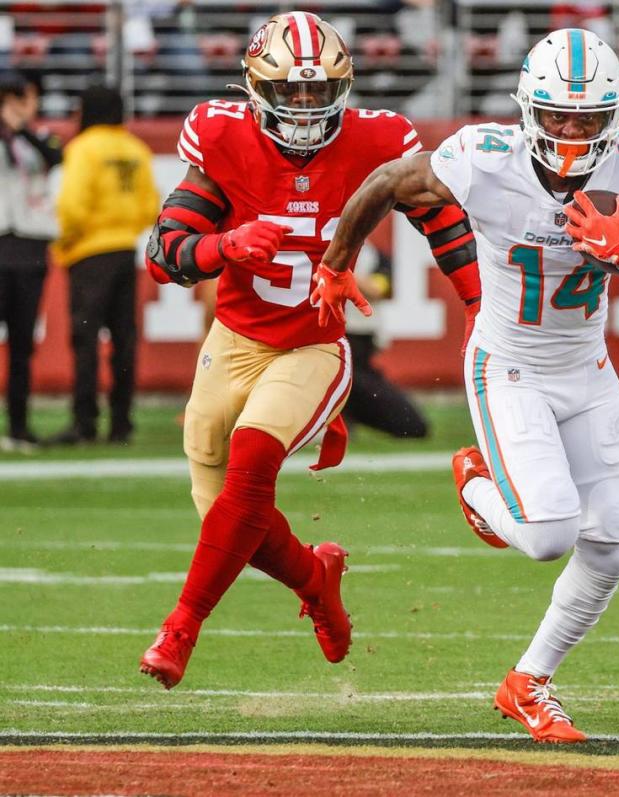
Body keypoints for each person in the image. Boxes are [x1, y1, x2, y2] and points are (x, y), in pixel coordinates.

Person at [320, 28, 619, 741]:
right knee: (550, 533)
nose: (572, 130)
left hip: (587, 367)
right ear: (530, 110)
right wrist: (338, 261)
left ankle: (529, 681)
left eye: (587, 117)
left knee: (612, 540)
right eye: (557, 115)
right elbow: (385, 183)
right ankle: (476, 484)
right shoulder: (484, 160)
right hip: (510, 364)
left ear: (615, 116)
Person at [139, 11, 481, 690]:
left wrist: (479, 305)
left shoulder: (377, 141)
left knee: (253, 460)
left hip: (314, 345)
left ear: (344, 88)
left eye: (317, 92)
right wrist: (222, 247)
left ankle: (180, 627)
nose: (303, 107)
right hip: (233, 341)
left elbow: (441, 215)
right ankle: (316, 577)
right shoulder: (225, 140)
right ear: (256, 88)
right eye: (289, 93)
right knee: (231, 517)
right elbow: (162, 253)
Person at [49, 86, 159, 445]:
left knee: (85, 341)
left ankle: (84, 423)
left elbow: (72, 206)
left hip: (87, 255)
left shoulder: (83, 148)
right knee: (124, 341)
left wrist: (66, 243)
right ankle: (121, 424)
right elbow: (150, 206)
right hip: (124, 252)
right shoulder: (135, 149)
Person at [0, 70, 61, 452]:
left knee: (22, 346)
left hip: (30, 250)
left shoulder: (38, 139)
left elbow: (56, 157)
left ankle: (18, 426)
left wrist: (20, 130)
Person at [344, 245, 428, 439]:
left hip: (359, 352)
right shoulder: (310, 247)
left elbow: (377, 289)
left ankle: (341, 415)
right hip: (327, 347)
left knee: (411, 425)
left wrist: (336, 269)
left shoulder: (372, 255)